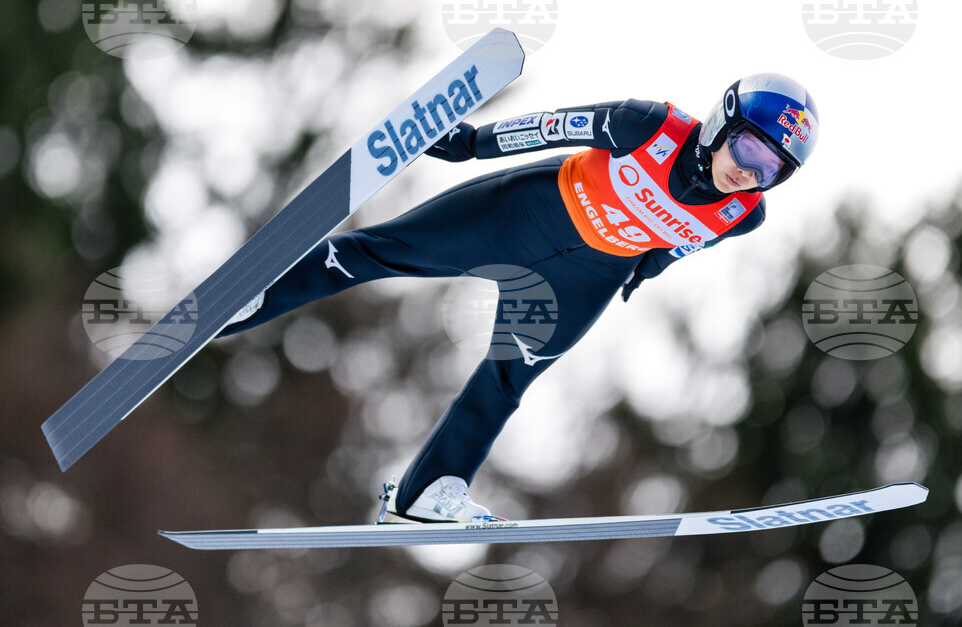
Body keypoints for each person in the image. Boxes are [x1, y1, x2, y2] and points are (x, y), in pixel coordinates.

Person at [218, 73, 820, 523]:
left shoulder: (743, 215)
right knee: (376, 252)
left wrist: (645, 270)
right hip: (523, 214)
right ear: (721, 125)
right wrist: (473, 143)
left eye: (771, 169)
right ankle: (248, 296)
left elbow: (682, 242)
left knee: (507, 381)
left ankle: (424, 495)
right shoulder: (649, 125)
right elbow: (556, 125)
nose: (750, 173)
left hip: (584, 280)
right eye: (749, 150)